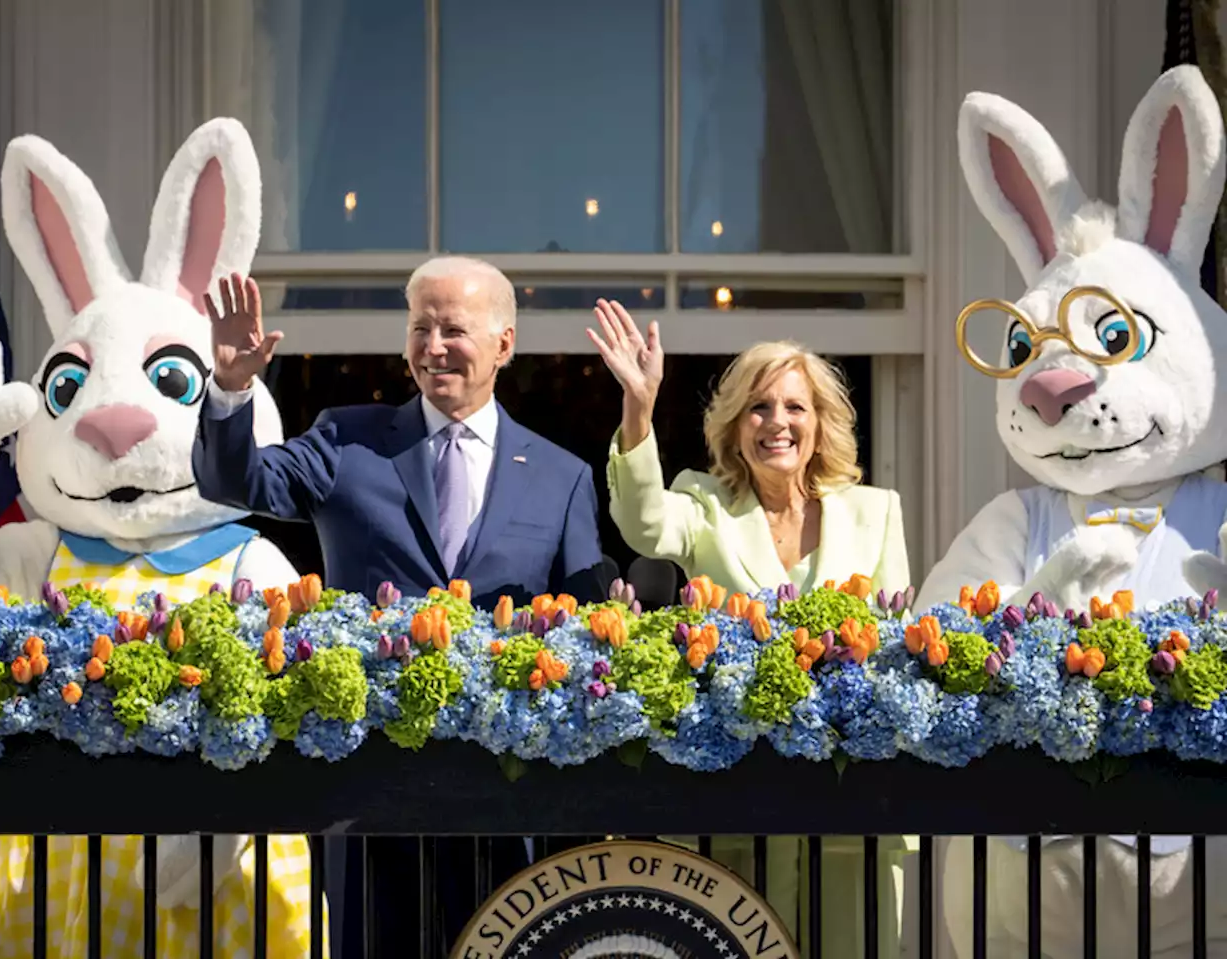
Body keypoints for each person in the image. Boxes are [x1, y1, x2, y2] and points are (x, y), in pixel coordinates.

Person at [192, 256, 608, 954]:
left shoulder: (562, 477)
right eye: (420, 327)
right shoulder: (347, 440)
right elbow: (237, 481)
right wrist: (232, 389)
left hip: (500, 794)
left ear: (504, 343)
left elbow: (589, 622)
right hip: (369, 790)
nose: (433, 345)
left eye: (454, 328)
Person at [589, 298, 912, 952]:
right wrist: (639, 406)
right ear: (736, 426)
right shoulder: (704, 503)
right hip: (732, 800)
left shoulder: (875, 513)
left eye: (794, 406)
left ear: (820, 422)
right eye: (759, 408)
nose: (777, 422)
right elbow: (643, 522)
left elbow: (896, 644)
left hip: (845, 803)